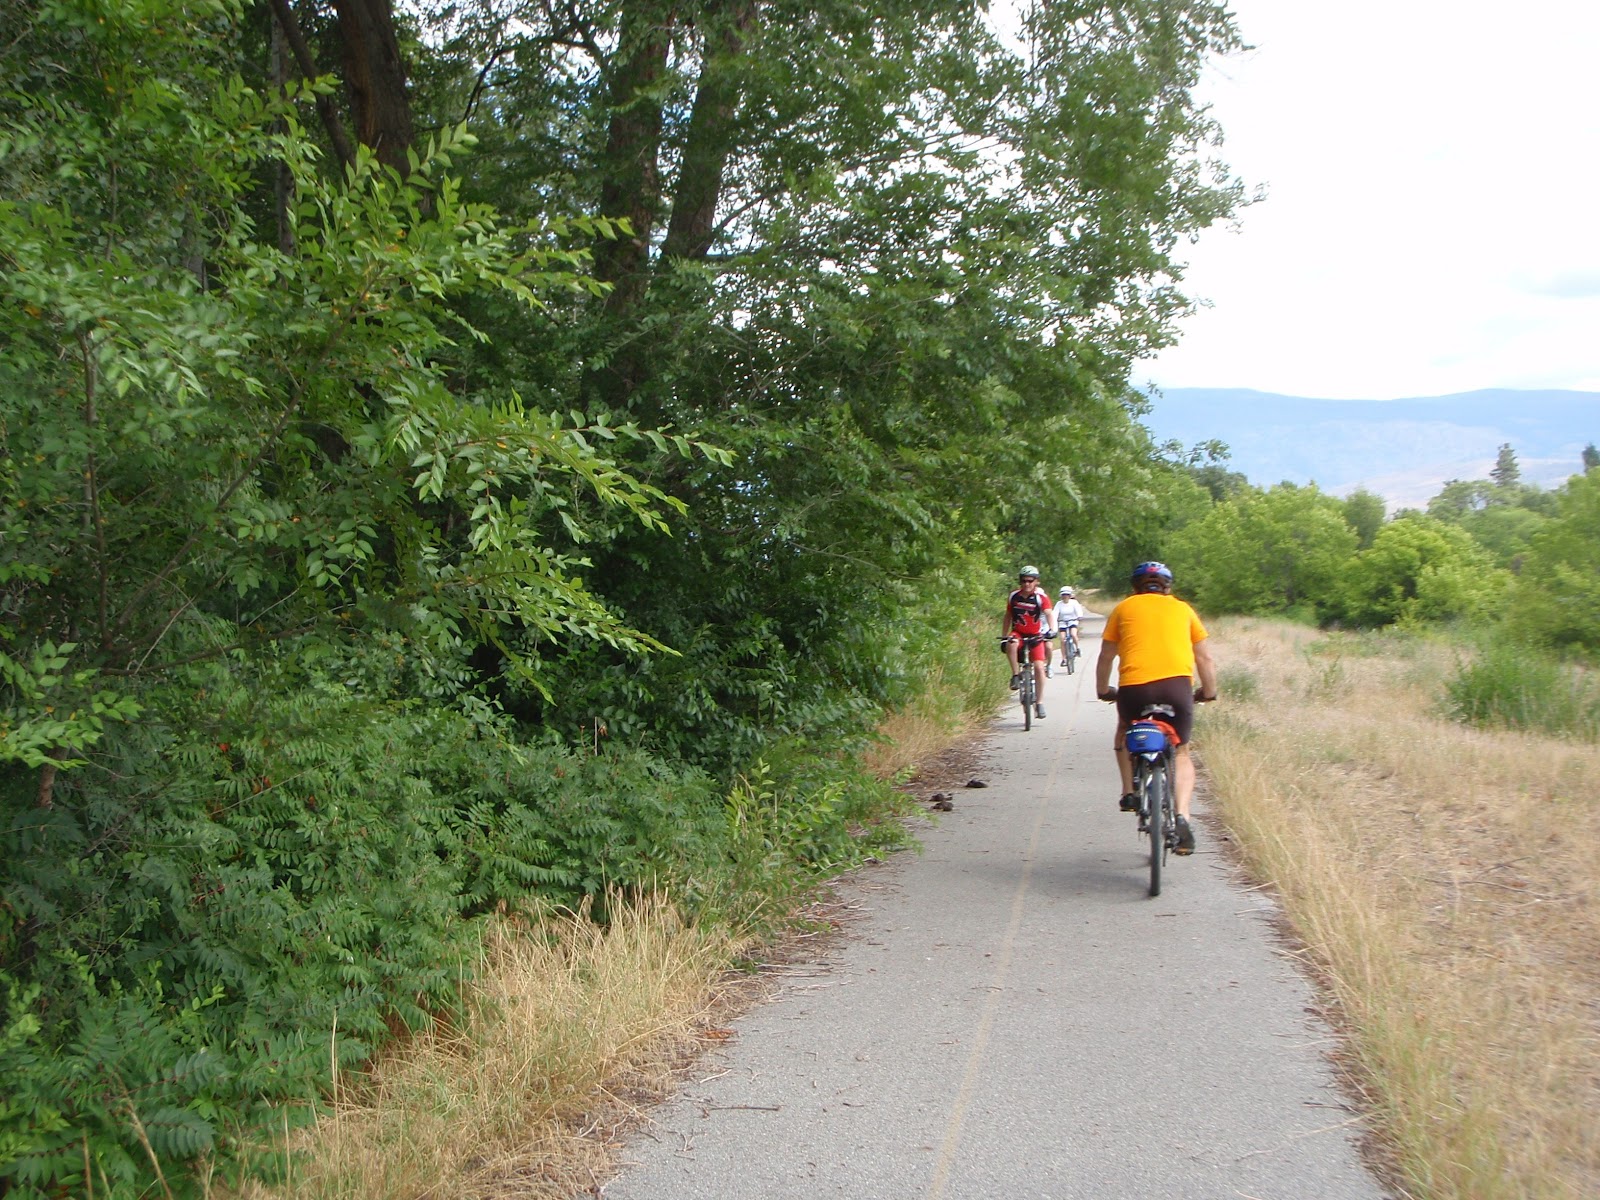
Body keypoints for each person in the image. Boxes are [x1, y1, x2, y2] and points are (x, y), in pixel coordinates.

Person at [1095, 561, 1217, 855]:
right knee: (1182, 750)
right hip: (1177, 688)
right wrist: (1209, 691)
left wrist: (1103, 689)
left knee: (1124, 731)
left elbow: (1106, 655)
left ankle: (1128, 792)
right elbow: (1204, 658)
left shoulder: (1124, 608)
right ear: (1167, 587)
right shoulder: (1184, 609)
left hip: (1134, 689)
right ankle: (1182, 816)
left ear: (1135, 587)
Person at [1003, 566, 1056, 719]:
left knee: (1039, 667)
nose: (1027, 584)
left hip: (1035, 635)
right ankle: (1015, 675)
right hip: (1018, 633)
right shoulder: (1014, 596)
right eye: (1024, 581)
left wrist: (1052, 629)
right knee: (1011, 642)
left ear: (1036, 582)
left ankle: (1039, 703)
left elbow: (1049, 614)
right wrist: (1004, 636)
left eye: (1030, 581)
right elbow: (1008, 616)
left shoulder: (1041, 597)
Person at [1052, 586, 1085, 670]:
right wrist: (1054, 619)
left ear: (1070, 595)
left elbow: (1078, 611)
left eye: (1067, 595)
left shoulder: (1074, 603)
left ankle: (1077, 648)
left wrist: (1079, 616)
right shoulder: (1059, 604)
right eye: (1063, 595)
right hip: (1062, 622)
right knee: (1062, 639)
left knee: (1073, 634)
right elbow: (1055, 613)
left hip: (1072, 621)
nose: (1065, 596)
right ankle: (1064, 658)